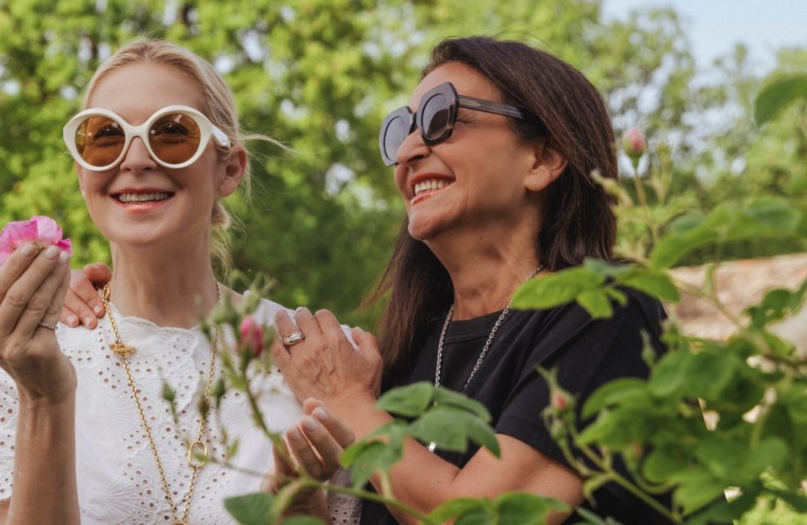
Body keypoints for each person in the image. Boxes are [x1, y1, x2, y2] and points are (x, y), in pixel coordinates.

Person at [65, 36, 672, 524]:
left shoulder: (608, 311)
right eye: (403, 127)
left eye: (441, 119)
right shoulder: (408, 355)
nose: (409, 149)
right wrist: (306, 510)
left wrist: (350, 402)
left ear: (541, 159)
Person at [0, 38, 348, 524]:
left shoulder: (309, 358)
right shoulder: (12, 357)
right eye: (105, 136)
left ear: (229, 169)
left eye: (172, 133)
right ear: (81, 173)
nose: (134, 159)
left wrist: (300, 512)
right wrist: (43, 395)